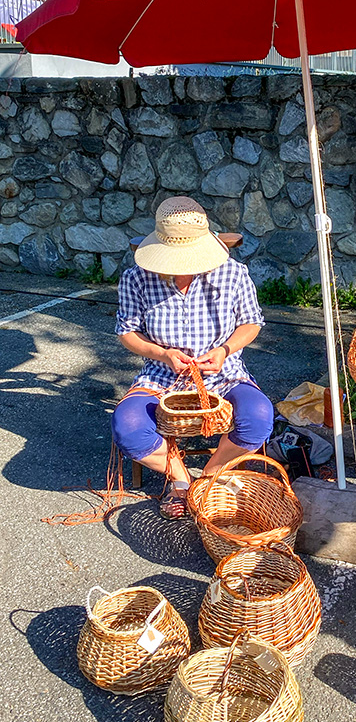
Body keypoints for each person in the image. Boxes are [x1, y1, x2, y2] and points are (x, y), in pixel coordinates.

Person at [111, 196, 273, 520]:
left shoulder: (233, 273)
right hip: (161, 374)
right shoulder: (136, 278)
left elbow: (251, 322)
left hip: (222, 371)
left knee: (258, 417)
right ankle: (181, 479)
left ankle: (207, 477)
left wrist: (225, 350)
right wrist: (162, 353)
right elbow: (126, 332)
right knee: (126, 425)